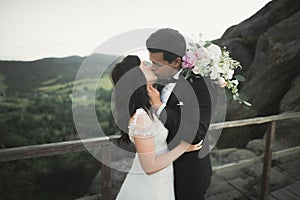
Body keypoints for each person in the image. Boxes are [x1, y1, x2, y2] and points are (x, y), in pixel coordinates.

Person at [111, 55, 203, 200]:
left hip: (163, 177)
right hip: (151, 185)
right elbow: (149, 167)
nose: (151, 66)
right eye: (145, 65)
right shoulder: (141, 116)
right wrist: (184, 147)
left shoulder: (150, 105)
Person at [146, 28, 214, 200]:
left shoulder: (201, 86)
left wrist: (160, 108)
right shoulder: (157, 81)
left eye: (158, 64)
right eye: (150, 62)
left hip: (188, 174)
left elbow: (196, 133)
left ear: (177, 62)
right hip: (160, 171)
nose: (152, 68)